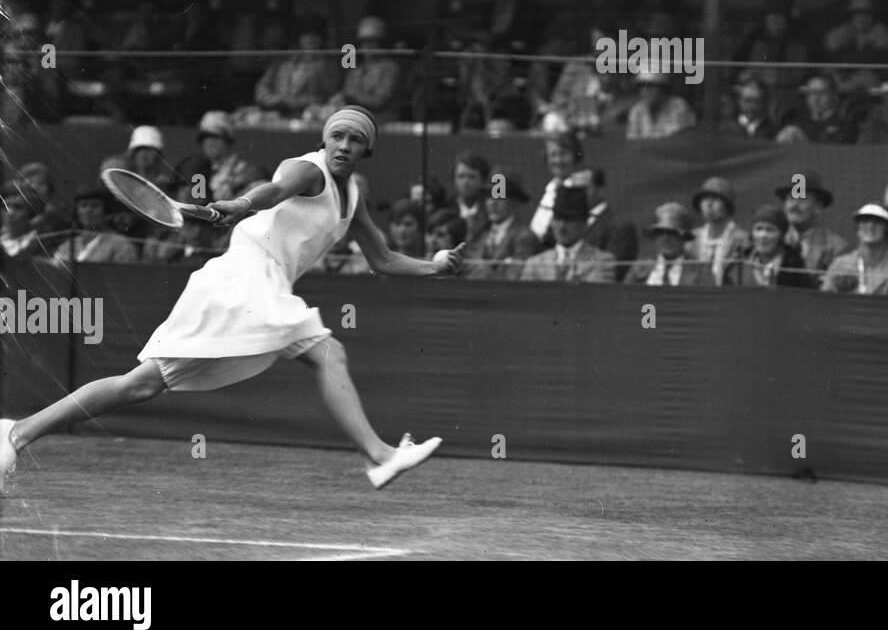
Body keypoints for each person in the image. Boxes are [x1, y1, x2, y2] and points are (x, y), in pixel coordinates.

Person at [1, 106, 467, 493]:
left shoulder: (352, 200)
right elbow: (274, 189)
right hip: (243, 279)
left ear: (368, 149)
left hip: (266, 290)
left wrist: (436, 265)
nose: (344, 145)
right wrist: (242, 205)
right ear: (325, 141)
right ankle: (381, 455)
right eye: (337, 136)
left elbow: (383, 259)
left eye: (355, 140)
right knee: (329, 352)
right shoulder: (308, 168)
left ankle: (15, 434)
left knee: (140, 385)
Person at [519, 187, 616, 283]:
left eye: (569, 220)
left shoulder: (601, 261)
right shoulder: (535, 263)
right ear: (551, 222)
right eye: (557, 219)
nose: (562, 227)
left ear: (584, 224)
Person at [821, 203, 888, 296]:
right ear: (857, 228)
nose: (870, 226)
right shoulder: (840, 264)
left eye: (877, 222)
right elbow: (826, 301)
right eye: (865, 221)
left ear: (886, 229)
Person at [775, 170, 848, 277]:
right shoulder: (773, 239)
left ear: (818, 207)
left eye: (802, 199)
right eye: (791, 198)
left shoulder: (836, 247)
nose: (794, 205)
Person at [464, 175, 538, 280]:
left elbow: (514, 278)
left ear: (514, 202)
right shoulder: (479, 233)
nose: (493, 203)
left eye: (499, 197)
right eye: (489, 197)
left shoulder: (524, 236)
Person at [625, 203, 717, 287]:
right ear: (654, 237)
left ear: (684, 237)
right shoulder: (639, 269)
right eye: (660, 233)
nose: (666, 238)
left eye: (672, 233)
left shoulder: (702, 272)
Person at [50, 188, 139, 265]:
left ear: (107, 213)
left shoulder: (122, 245)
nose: (88, 210)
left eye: (95, 206)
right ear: (77, 212)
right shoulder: (68, 245)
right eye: (83, 205)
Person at [726, 204, 806, 289]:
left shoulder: (795, 266)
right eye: (759, 229)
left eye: (770, 230)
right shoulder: (737, 265)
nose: (763, 235)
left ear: (781, 235)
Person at [690, 177, 749, 286]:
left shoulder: (742, 240)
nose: (709, 204)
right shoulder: (692, 239)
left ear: (727, 205)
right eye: (704, 199)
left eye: (716, 199)